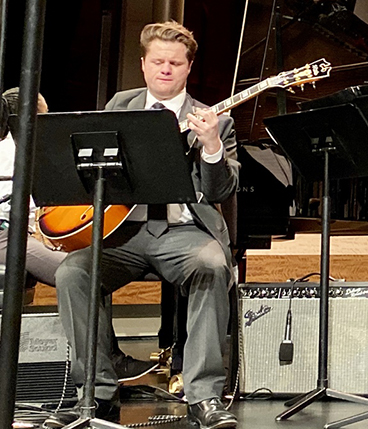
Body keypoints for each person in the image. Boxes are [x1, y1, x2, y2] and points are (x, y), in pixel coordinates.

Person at [47, 22, 239, 429]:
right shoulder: (121, 104)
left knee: (212, 264)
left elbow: (221, 191)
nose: (165, 69)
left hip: (182, 232)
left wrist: (210, 147)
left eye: (175, 63)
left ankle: (203, 394)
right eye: (158, 62)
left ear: (188, 68)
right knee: (73, 272)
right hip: (123, 233)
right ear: (143, 64)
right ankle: (94, 394)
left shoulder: (216, 120)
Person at [0, 88, 155, 382]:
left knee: (89, 265)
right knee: (81, 272)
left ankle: (106, 361)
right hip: (7, 237)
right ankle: (108, 362)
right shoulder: (15, 151)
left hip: (17, 234)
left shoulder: (17, 147)